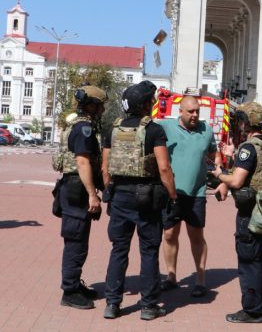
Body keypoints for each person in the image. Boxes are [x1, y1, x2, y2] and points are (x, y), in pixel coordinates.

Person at [101, 81, 178, 321]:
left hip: (120, 196)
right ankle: (148, 306)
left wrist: (110, 191)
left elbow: (105, 168)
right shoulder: (154, 130)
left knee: (118, 250)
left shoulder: (111, 129)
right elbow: (164, 168)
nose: (153, 104)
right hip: (147, 198)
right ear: (144, 104)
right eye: (151, 101)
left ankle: (112, 304)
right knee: (148, 251)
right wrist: (173, 196)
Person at [214, 101, 262, 324]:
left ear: (246, 122)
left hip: (250, 214)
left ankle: (253, 310)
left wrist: (218, 174)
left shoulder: (248, 147)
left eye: (240, 120)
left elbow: (237, 181)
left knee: (249, 262)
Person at [157, 95, 222, 298]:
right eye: (191, 111)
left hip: (197, 194)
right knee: (169, 235)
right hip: (172, 193)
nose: (195, 115)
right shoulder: (165, 127)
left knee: (196, 236)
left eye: (197, 111)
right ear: (181, 111)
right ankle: (171, 276)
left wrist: (220, 171)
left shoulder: (206, 130)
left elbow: (214, 154)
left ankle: (200, 280)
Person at [55, 85, 107, 310]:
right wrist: (92, 195)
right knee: (76, 242)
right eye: (101, 106)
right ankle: (70, 290)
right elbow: (82, 162)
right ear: (92, 106)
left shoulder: (73, 124)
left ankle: (75, 283)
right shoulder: (84, 128)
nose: (102, 110)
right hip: (77, 190)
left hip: (73, 188)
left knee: (78, 241)